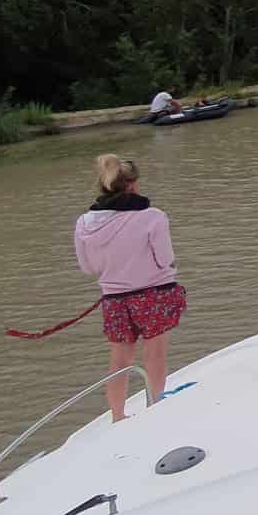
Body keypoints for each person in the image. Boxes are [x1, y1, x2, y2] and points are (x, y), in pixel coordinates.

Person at [72, 154, 187, 421]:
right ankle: (155, 407)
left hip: (114, 299)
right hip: (154, 294)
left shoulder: (84, 224)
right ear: (133, 185)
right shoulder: (153, 217)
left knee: (119, 360)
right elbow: (165, 259)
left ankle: (117, 415)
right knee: (154, 355)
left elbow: (88, 267)